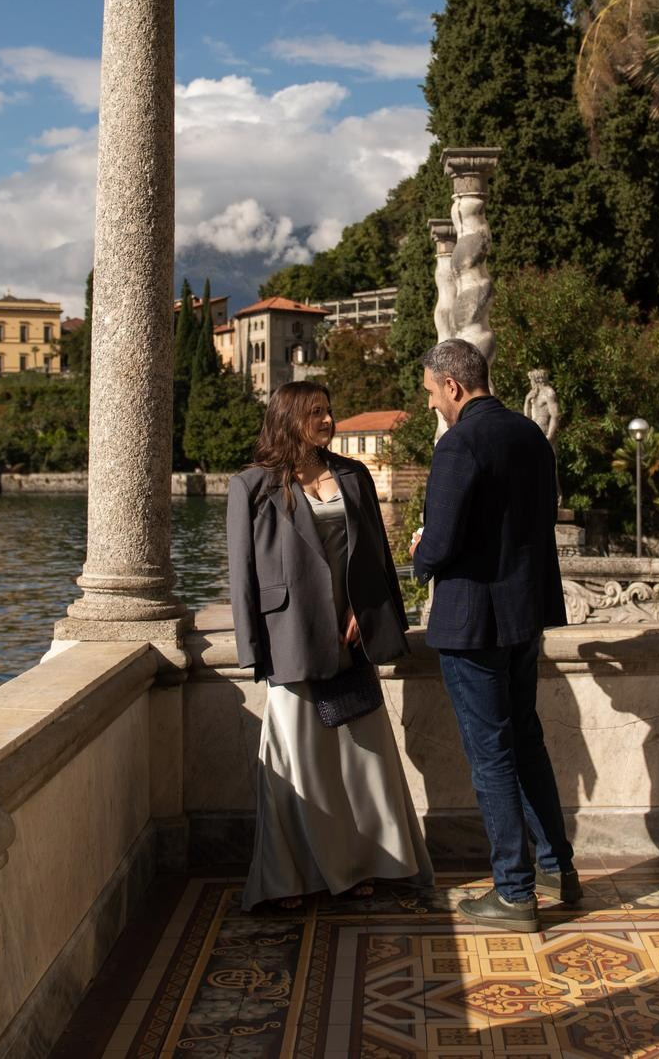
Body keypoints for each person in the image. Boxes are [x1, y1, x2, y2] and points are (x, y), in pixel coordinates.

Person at [227, 381, 433, 910]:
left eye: (328, 410)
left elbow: (378, 561)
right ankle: (293, 877)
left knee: (361, 761)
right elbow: (242, 577)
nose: (326, 419)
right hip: (290, 639)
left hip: (352, 637)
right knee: (298, 764)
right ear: (288, 417)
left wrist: (369, 616)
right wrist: (255, 649)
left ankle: (369, 862)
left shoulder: (353, 475)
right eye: (314, 412)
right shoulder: (251, 486)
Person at [409, 339, 577, 933]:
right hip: (522, 614)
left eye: (431, 393)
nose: (433, 405)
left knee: (492, 755)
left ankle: (513, 892)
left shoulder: (460, 444)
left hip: (473, 620)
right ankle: (558, 867)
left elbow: (444, 539)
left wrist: (418, 556)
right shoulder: (531, 436)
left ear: (453, 386)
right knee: (525, 739)